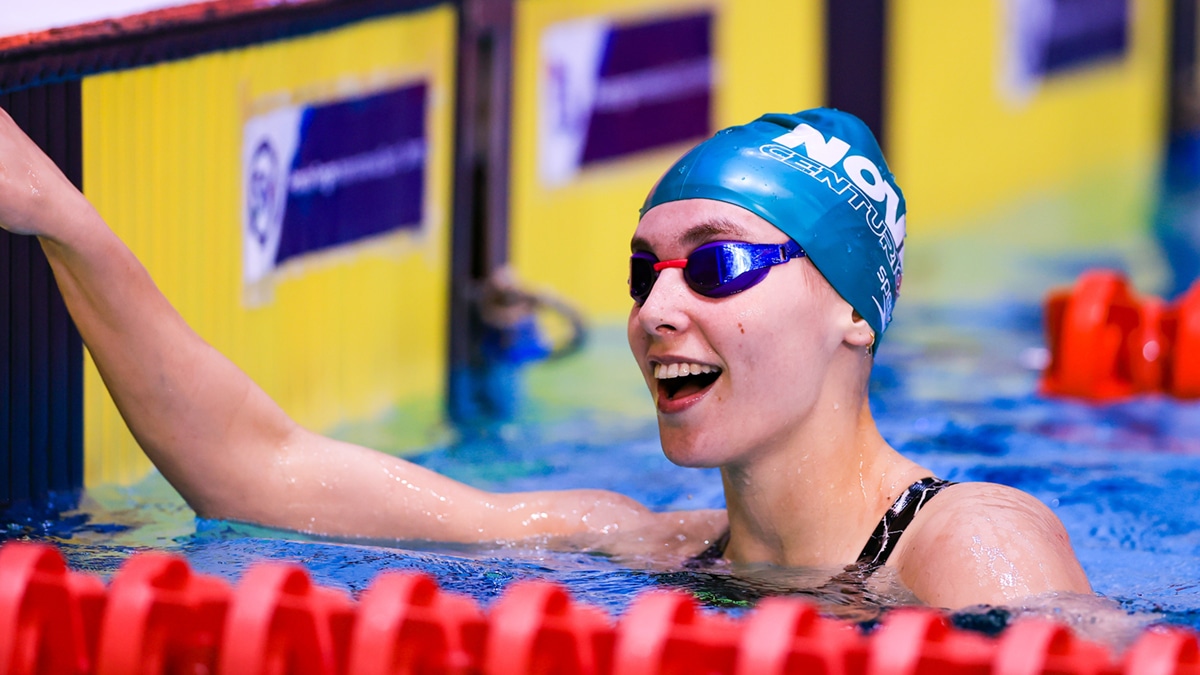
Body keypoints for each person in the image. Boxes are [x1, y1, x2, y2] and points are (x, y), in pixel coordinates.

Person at [0, 105, 1090, 609]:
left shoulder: (971, 553)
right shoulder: (646, 548)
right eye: (643, 273)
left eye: (713, 268)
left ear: (853, 311)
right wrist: (64, 221)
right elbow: (261, 470)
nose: (657, 309)